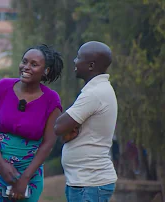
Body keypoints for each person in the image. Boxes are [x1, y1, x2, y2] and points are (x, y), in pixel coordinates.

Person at [0, 44, 64, 201]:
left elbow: (48, 143)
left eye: (34, 64)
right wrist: (2, 164)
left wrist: (25, 178)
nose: (26, 67)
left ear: (46, 71)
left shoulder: (51, 100)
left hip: (28, 176)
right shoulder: (3, 87)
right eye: (24, 62)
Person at [54, 41, 118, 202]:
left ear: (91, 65)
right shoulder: (96, 90)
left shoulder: (94, 93)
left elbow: (58, 126)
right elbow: (67, 131)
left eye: (78, 57)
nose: (75, 61)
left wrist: (67, 128)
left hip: (90, 183)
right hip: (84, 181)